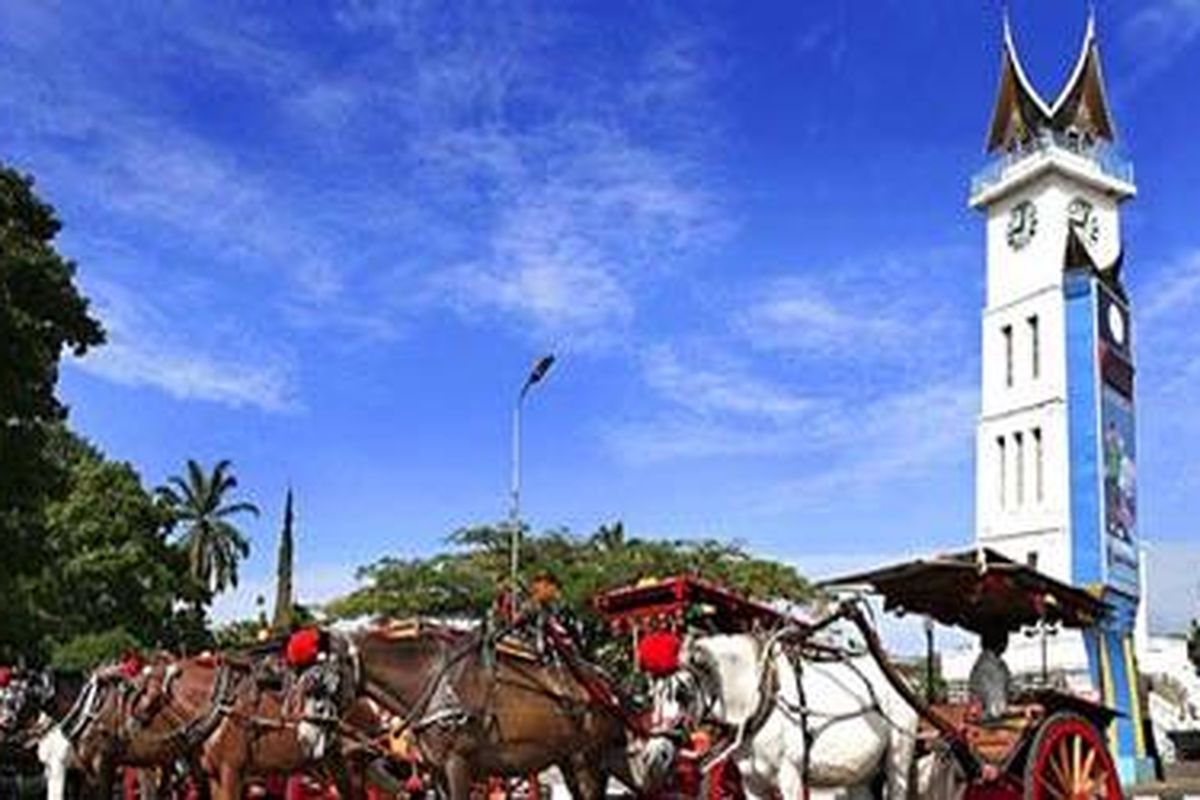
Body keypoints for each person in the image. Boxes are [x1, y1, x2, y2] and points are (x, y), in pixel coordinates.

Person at [969, 625, 1012, 721]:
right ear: (1002, 642)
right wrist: (1025, 708)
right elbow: (997, 710)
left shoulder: (986, 663)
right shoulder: (991, 668)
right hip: (991, 725)